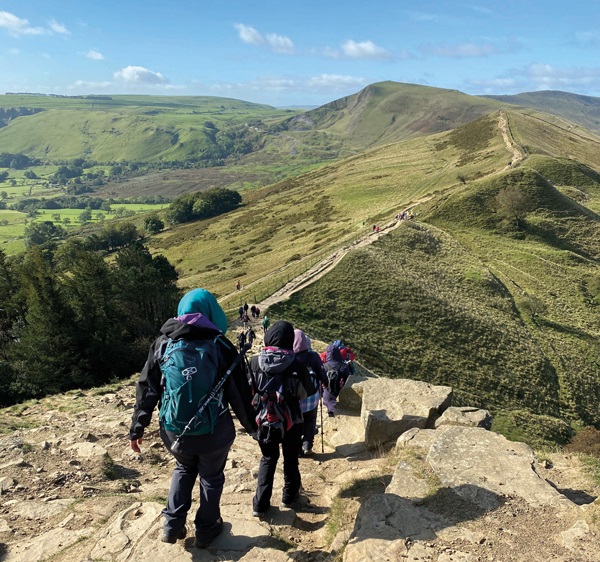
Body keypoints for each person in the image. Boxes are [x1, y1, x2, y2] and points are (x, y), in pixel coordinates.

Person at [129, 288, 257, 548]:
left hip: (176, 431)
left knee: (184, 468)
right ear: (211, 311)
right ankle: (206, 530)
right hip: (214, 432)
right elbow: (239, 393)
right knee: (211, 477)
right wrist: (253, 426)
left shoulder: (163, 343)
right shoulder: (220, 345)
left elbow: (148, 388)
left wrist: (137, 427)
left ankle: (172, 524)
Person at [248, 321, 310, 516]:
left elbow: (247, 390)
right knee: (290, 459)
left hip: (264, 420)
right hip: (292, 420)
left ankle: (260, 505)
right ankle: (289, 497)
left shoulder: (254, 362)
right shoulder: (297, 364)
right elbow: (307, 391)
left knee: (268, 458)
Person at [293, 329, 328, 456]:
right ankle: (307, 445)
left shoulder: (290, 356)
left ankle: (297, 450)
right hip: (312, 398)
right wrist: (326, 383)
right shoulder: (313, 356)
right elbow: (321, 374)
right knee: (310, 420)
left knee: (296, 423)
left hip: (295, 398)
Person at [322, 344, 351, 417]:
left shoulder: (324, 366)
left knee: (326, 392)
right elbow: (348, 379)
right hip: (340, 391)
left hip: (327, 393)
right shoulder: (344, 366)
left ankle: (330, 408)